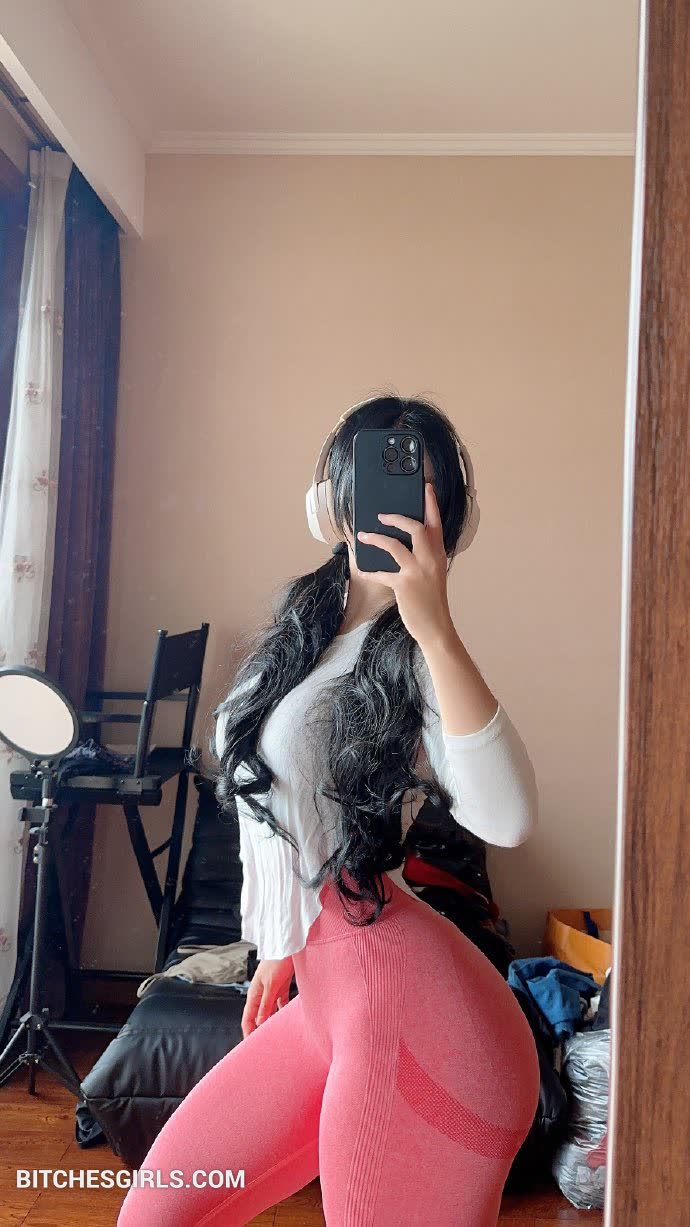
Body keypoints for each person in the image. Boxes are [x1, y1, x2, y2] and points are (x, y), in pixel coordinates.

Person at [117, 394, 541, 1227]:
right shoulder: (301, 637)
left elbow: (509, 817)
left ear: (450, 521)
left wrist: (437, 627)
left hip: (422, 1020)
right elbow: (274, 798)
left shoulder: (417, 658)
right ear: (333, 501)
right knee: (155, 1215)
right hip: (332, 1000)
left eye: (422, 491)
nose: (398, 509)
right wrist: (281, 940)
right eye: (381, 479)